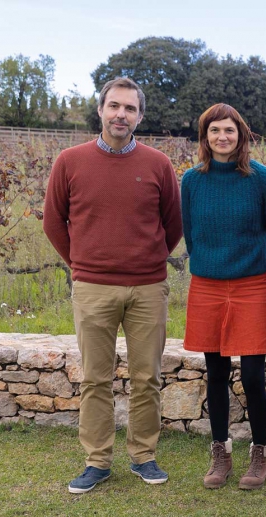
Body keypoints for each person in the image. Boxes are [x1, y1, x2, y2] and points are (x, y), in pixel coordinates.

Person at [43, 77, 183, 493]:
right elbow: (54, 222)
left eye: (130, 108)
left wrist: (148, 259)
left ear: (140, 116)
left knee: (147, 377)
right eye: (114, 106)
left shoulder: (158, 164)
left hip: (147, 289)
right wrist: (81, 264)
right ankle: (97, 461)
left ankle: (143, 456)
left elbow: (172, 224)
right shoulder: (70, 161)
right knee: (95, 379)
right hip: (92, 288)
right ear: (101, 110)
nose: (121, 114)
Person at [180, 103, 266, 490]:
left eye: (230, 130)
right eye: (215, 131)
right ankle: (220, 450)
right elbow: (190, 232)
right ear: (205, 137)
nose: (223, 137)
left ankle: (259, 450)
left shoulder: (262, 179)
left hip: (253, 283)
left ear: (242, 135)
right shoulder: (191, 180)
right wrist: (210, 262)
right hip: (208, 284)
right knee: (216, 373)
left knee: (253, 376)